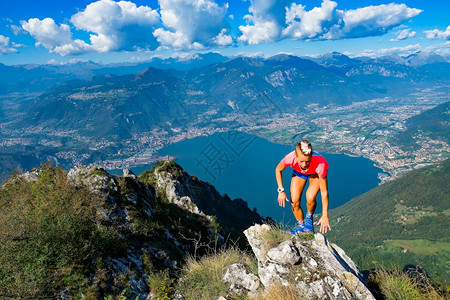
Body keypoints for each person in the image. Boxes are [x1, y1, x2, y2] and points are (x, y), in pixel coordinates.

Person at [275, 140, 331, 234]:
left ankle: (309, 219)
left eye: (308, 161)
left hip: (315, 173)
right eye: (301, 161)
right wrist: (281, 190)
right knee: (294, 202)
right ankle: (300, 226)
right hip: (299, 172)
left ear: (312, 155)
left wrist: (325, 215)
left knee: (310, 197)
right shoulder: (290, 158)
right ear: (296, 156)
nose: (304, 165)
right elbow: (278, 169)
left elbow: (324, 191)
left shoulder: (320, 164)